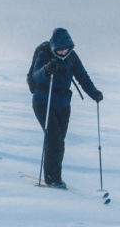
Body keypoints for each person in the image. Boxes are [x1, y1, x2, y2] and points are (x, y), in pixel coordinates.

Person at [28, 27, 101, 188]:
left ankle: (56, 176)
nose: (63, 52)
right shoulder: (45, 54)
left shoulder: (72, 57)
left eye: (66, 49)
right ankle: (51, 178)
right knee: (53, 139)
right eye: (60, 50)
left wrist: (94, 93)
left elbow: (82, 76)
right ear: (54, 47)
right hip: (43, 102)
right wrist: (47, 70)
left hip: (63, 104)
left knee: (60, 141)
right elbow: (35, 75)